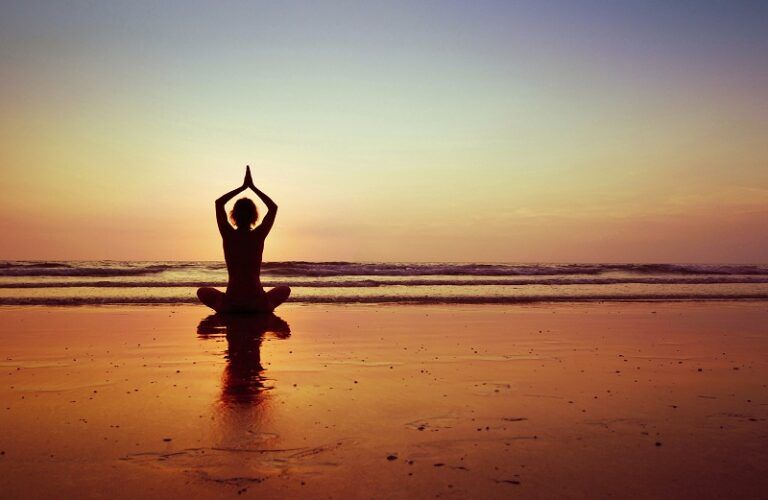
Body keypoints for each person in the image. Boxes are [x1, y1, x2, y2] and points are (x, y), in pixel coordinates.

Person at [197, 166, 290, 313]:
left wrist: (242, 187)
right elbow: (273, 208)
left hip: (231, 303)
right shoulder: (258, 235)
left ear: (233, 215)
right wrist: (252, 187)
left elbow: (219, 203)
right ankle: (266, 307)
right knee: (285, 289)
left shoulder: (228, 234)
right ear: (254, 216)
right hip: (257, 303)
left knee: (202, 291)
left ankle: (225, 306)